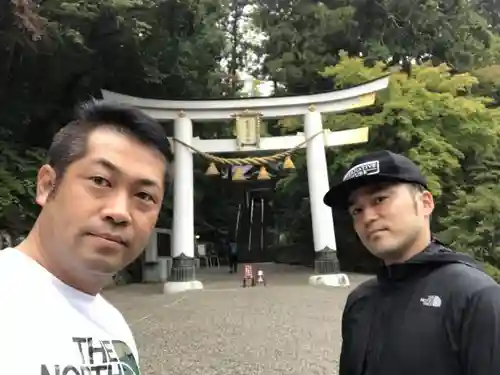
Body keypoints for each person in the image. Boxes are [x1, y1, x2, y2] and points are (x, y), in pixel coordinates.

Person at [0, 100, 172, 375]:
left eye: (144, 196)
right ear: (46, 185)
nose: (120, 213)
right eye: (100, 181)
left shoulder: (114, 328)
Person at [323, 150, 500, 375]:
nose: (367, 217)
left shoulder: (476, 297)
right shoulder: (360, 301)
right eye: (357, 210)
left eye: (380, 199)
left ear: (425, 203)